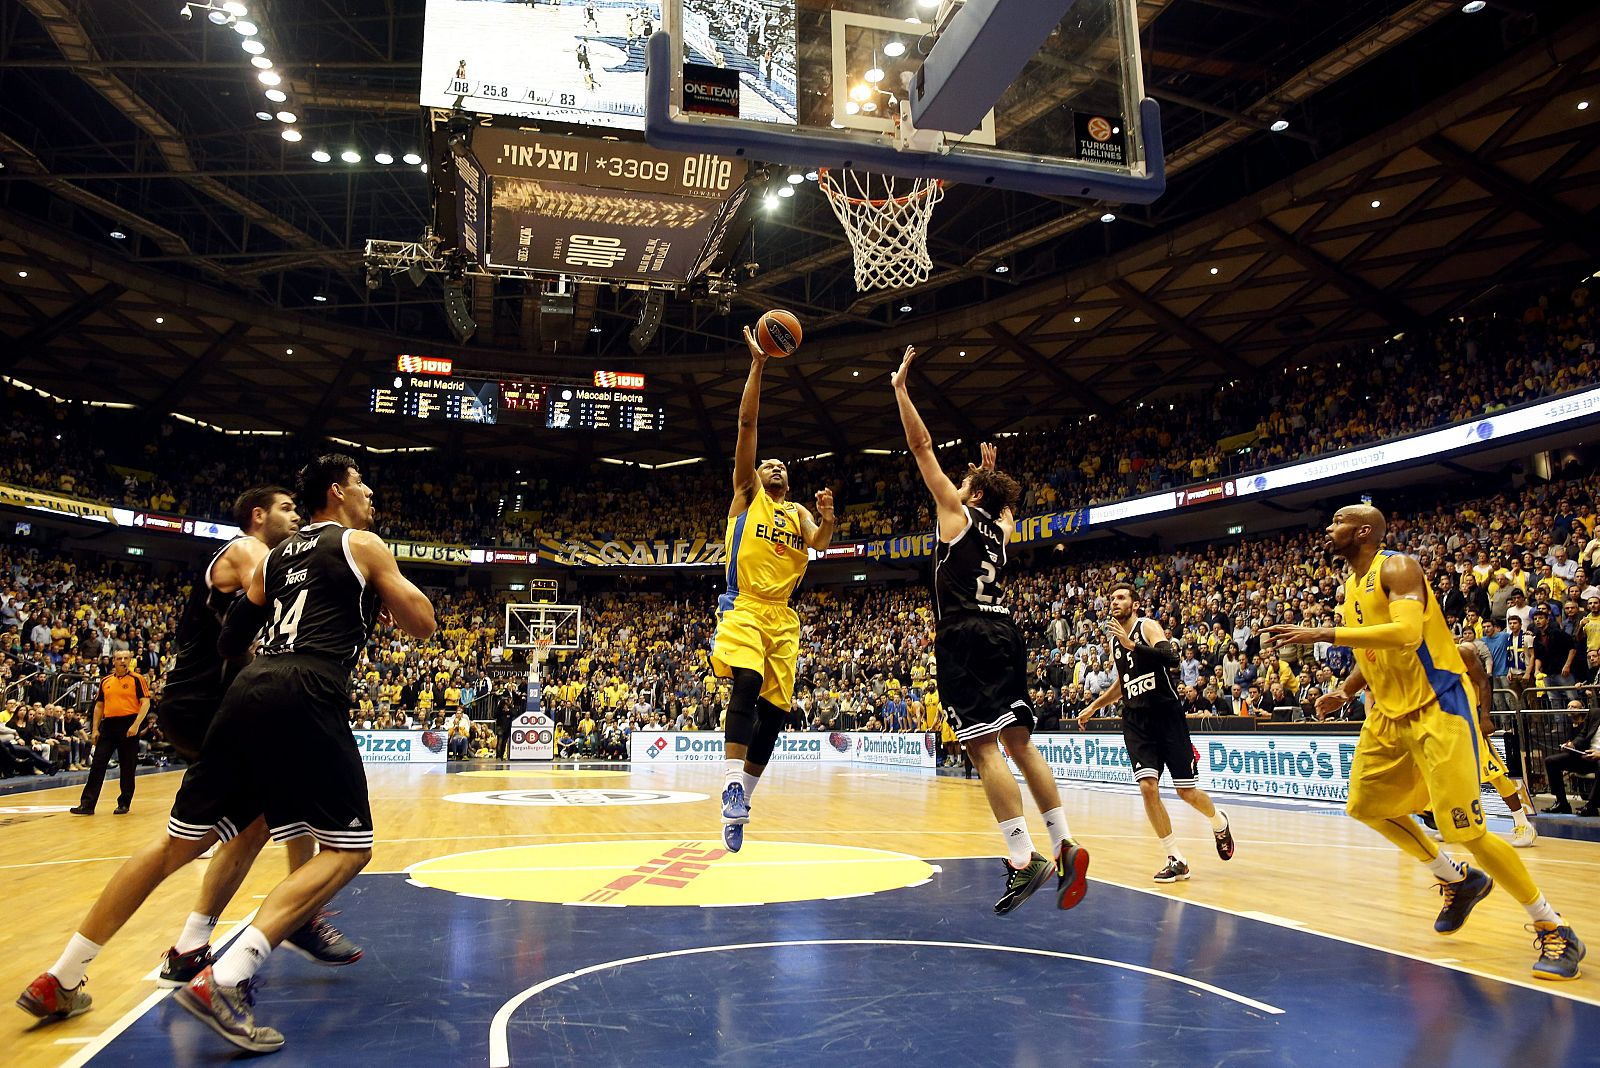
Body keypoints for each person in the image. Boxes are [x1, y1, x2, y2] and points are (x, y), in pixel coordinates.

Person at [17, 455, 438, 1048]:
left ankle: (62, 976)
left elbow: (234, 636)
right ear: (338, 493)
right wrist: (384, 592)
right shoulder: (361, 544)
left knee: (188, 842)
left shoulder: (275, 559)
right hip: (308, 687)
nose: (371, 494)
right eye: (363, 485)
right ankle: (228, 977)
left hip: (245, 693)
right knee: (349, 850)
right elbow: (423, 624)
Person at [1265, 504, 1583, 981]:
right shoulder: (1351, 587)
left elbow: (1407, 633)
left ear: (1364, 531)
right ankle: (1457, 879)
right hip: (1388, 715)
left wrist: (1325, 632)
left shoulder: (1397, 567)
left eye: (1338, 522)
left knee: (1467, 832)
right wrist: (1345, 691)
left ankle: (1554, 926)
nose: (1329, 529)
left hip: (1438, 706)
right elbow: (1371, 648)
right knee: (1367, 807)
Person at [892, 345, 1089, 913]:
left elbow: (921, 446)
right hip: (1005, 630)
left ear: (971, 495)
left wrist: (901, 391)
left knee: (982, 750)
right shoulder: (1002, 530)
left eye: (964, 483)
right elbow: (1005, 508)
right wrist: (990, 475)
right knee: (1020, 744)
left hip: (965, 634)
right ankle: (1065, 841)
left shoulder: (955, 515)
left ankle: (1023, 859)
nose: (954, 485)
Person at [150, 486, 362, 989]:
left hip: (222, 704)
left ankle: (189, 949)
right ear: (258, 515)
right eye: (286, 509)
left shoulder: (270, 560)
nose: (296, 517)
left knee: (258, 822)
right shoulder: (253, 553)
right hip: (210, 704)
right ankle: (293, 920)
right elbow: (269, 611)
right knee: (186, 843)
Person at [713, 323, 834, 852]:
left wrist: (827, 519)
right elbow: (747, 423)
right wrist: (758, 365)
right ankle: (730, 785)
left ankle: (744, 798)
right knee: (746, 681)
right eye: (769, 464)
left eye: (782, 465)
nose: (775, 466)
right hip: (743, 605)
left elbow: (821, 543)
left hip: (783, 616)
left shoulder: (798, 512)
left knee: (777, 713)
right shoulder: (747, 495)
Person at [1078, 583, 1235, 883]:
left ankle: (1219, 822)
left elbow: (1171, 658)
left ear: (1134, 604)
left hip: (1166, 714)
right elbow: (1122, 684)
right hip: (1136, 720)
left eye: (1121, 597)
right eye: (1112, 598)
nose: (1114, 602)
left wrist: (1133, 645)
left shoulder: (1146, 627)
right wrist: (1094, 706)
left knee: (1186, 791)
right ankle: (1176, 858)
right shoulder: (1115, 642)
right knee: (1148, 787)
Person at [1417, 640, 1537, 848]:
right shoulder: (1424, 659)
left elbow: (1484, 683)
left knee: (1494, 774)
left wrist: (1485, 717)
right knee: (1449, 776)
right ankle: (1454, 823)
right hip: (1445, 725)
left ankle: (1523, 823)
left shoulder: (1461, 653)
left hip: (1470, 722)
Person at [70, 651, 150, 815]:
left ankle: (124, 803)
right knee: (98, 764)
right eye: (119, 658)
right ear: (114, 661)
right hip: (109, 725)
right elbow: (99, 706)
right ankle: (87, 804)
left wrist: (136, 725)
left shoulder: (137, 679)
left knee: (127, 766)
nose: (122, 661)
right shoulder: (105, 681)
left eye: (126, 658)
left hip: (129, 724)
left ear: (130, 661)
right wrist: (95, 729)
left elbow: (145, 703)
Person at [1541, 700, 1600, 816]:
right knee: (1551, 761)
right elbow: (1583, 735)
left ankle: (1592, 806)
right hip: (1588, 755)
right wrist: (1573, 744)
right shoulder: (1595, 713)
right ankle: (1562, 803)